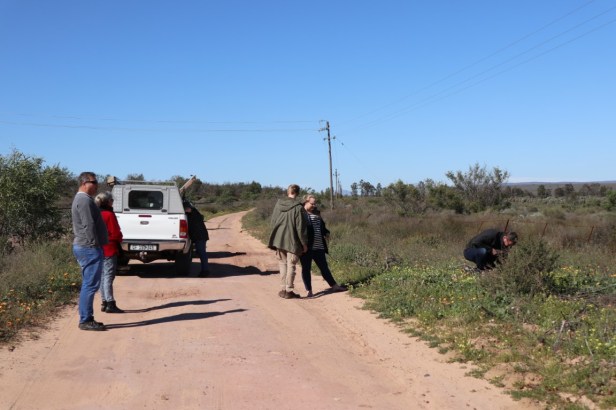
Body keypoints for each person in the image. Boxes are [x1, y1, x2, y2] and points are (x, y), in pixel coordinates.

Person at [71, 172, 108, 331]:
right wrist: (94, 244)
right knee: (90, 285)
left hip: (87, 247)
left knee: (89, 284)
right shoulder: (84, 200)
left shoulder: (84, 199)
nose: (97, 185)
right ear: (84, 183)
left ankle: (87, 318)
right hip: (88, 247)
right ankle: (85, 320)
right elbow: (88, 225)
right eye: (94, 182)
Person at [300, 195, 347, 297]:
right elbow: (299, 230)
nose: (314, 205)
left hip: (319, 246)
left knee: (324, 268)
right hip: (306, 247)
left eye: (315, 203)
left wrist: (326, 232)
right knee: (306, 269)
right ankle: (309, 290)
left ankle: (334, 286)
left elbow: (322, 226)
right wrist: (302, 244)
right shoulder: (300, 213)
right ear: (305, 202)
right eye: (312, 203)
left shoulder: (317, 212)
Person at [268, 184, 308, 299]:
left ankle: (283, 289)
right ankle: (289, 290)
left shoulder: (278, 204)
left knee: (282, 264)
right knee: (291, 265)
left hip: (279, 239)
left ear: (288, 192)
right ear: (298, 193)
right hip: (292, 241)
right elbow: (301, 228)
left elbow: (273, 222)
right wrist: (304, 243)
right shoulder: (298, 207)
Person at [95, 191, 124, 313]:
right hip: (109, 248)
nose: (113, 202)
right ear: (107, 202)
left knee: (102, 276)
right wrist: (120, 239)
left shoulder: (95, 213)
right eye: (112, 200)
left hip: (98, 248)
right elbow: (115, 232)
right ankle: (110, 303)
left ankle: (104, 302)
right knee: (108, 276)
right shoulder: (109, 214)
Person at [184, 200, 210, 277]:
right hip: (199, 236)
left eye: (186, 208)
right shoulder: (193, 213)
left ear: (189, 208)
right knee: (201, 253)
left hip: (200, 236)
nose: (185, 210)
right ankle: (205, 270)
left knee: (202, 253)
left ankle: (205, 271)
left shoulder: (193, 213)